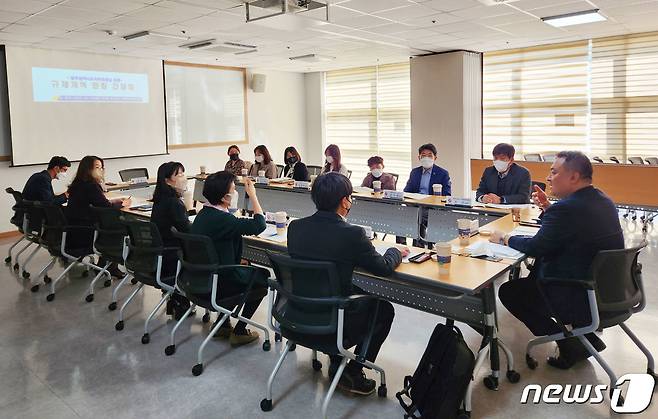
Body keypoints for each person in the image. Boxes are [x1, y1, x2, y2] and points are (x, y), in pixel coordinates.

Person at [490, 151, 623, 370]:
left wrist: (505, 238)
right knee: (534, 277)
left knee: (510, 292)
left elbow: (536, 247)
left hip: (577, 293)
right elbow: (574, 228)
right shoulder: (603, 200)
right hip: (609, 291)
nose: (549, 178)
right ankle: (586, 338)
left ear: (573, 177)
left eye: (554, 172)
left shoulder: (567, 209)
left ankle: (569, 343)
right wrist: (548, 208)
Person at [287, 172, 409, 396]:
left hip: (298, 311)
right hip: (334, 316)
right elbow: (382, 267)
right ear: (345, 200)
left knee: (346, 292)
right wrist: (395, 251)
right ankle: (353, 371)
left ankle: (336, 360)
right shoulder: (352, 234)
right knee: (383, 309)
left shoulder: (295, 227)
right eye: (350, 197)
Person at [190, 172, 268, 347]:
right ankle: (239, 331)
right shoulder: (223, 219)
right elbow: (259, 225)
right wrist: (253, 195)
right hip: (220, 283)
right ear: (225, 197)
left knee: (246, 268)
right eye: (234, 189)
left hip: (202, 280)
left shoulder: (203, 215)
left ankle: (222, 325)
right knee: (262, 277)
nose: (236, 192)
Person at [66, 156, 131, 277]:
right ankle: (111, 267)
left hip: (74, 230)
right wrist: (122, 203)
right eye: (97, 167)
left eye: (101, 167)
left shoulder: (78, 184)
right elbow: (106, 207)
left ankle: (103, 265)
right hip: (85, 232)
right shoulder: (90, 186)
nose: (100, 170)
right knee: (116, 228)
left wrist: (113, 202)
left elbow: (100, 203)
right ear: (88, 169)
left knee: (110, 225)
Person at [150, 161, 192, 320]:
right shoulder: (174, 202)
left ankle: (176, 300)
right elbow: (187, 230)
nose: (183, 177)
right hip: (174, 256)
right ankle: (181, 300)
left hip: (162, 255)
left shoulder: (160, 199)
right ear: (167, 180)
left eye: (183, 173)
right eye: (179, 174)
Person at [403, 143, 451, 247]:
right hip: (416, 206)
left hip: (433, 208)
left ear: (435, 158)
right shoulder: (415, 172)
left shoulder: (443, 173)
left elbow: (447, 195)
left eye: (430, 155)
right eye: (423, 155)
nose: (426, 158)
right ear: (419, 157)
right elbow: (406, 191)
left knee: (420, 217)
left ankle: (425, 245)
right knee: (401, 215)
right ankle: (404, 246)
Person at [18, 156, 71, 228]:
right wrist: (65, 196)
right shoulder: (43, 179)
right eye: (64, 170)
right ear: (56, 168)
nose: (65, 173)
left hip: (33, 211)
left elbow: (47, 198)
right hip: (37, 215)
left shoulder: (39, 176)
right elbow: (49, 203)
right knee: (71, 213)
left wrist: (62, 195)